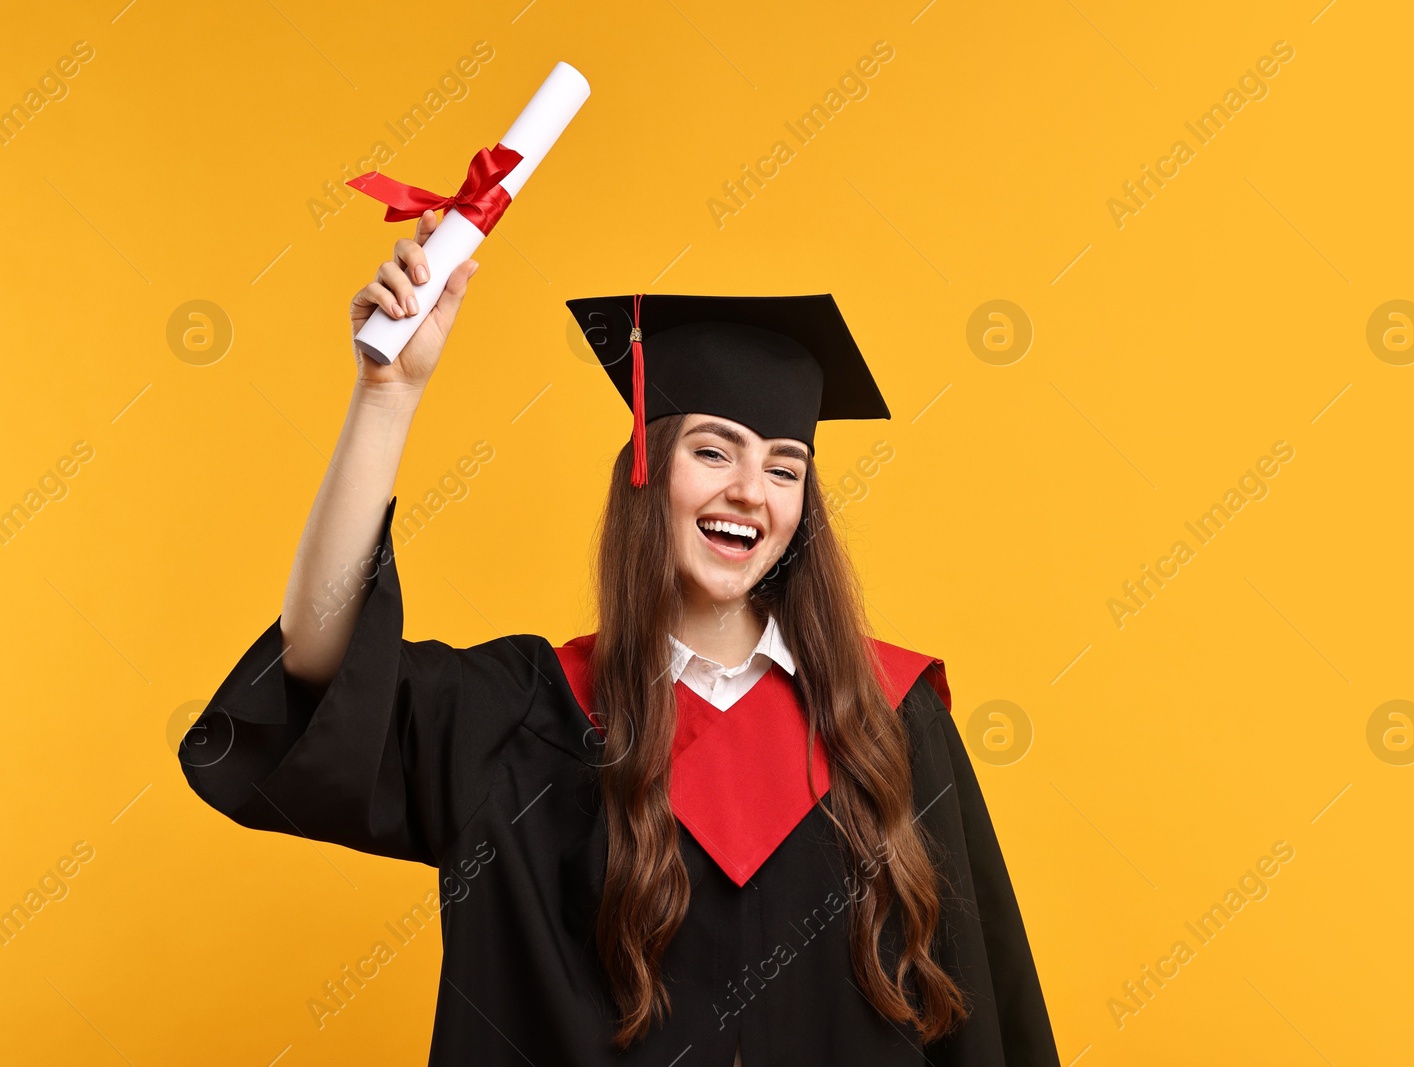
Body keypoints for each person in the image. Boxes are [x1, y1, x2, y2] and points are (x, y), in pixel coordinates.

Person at [177, 208, 1060, 1065]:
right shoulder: (530, 716)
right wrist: (387, 395)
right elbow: (321, 667)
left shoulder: (889, 720)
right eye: (714, 451)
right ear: (647, 467)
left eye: (783, 467)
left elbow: (987, 1014)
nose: (753, 489)